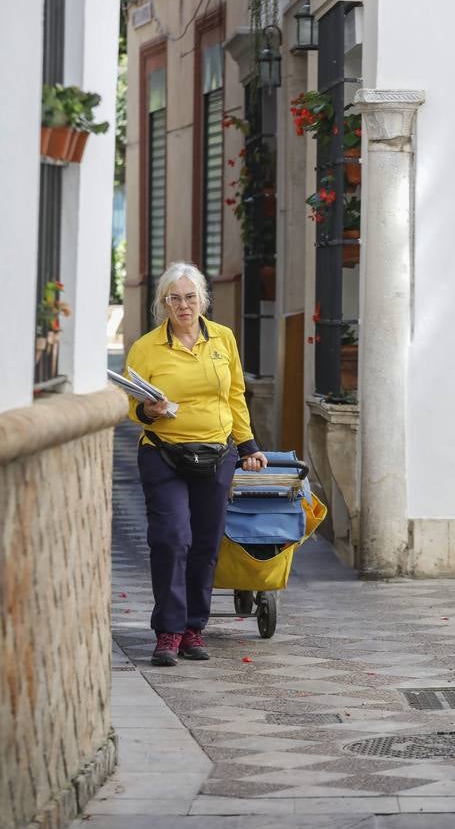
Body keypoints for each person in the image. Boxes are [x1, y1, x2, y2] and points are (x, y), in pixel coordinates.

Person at [125, 262, 267, 666]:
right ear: (163, 304)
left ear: (203, 299)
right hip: (163, 452)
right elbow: (130, 404)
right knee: (171, 538)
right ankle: (168, 632)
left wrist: (248, 445)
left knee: (205, 543)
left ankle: (193, 629)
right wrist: (149, 412)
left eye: (190, 297)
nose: (183, 306)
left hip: (216, 454)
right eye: (174, 298)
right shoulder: (147, 348)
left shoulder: (223, 339)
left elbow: (235, 394)